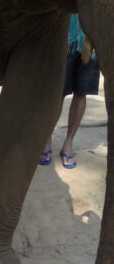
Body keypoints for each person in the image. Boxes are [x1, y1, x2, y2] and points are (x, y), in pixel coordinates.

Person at [40, 14, 100, 169]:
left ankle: (68, 143)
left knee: (81, 93)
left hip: (92, 39)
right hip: (66, 37)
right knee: (58, 92)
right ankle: (46, 140)